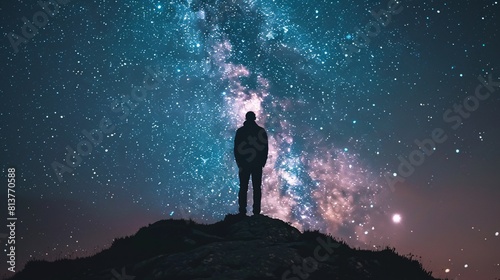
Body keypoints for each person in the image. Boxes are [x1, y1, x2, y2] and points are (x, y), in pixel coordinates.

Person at [234, 111, 268, 216]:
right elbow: (265, 149)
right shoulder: (260, 131)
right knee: (256, 188)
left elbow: (236, 149)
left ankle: (242, 211)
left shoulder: (240, 131)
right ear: (254, 118)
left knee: (244, 187)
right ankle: (256, 212)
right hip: (255, 164)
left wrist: (239, 162)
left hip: (245, 164)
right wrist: (262, 162)